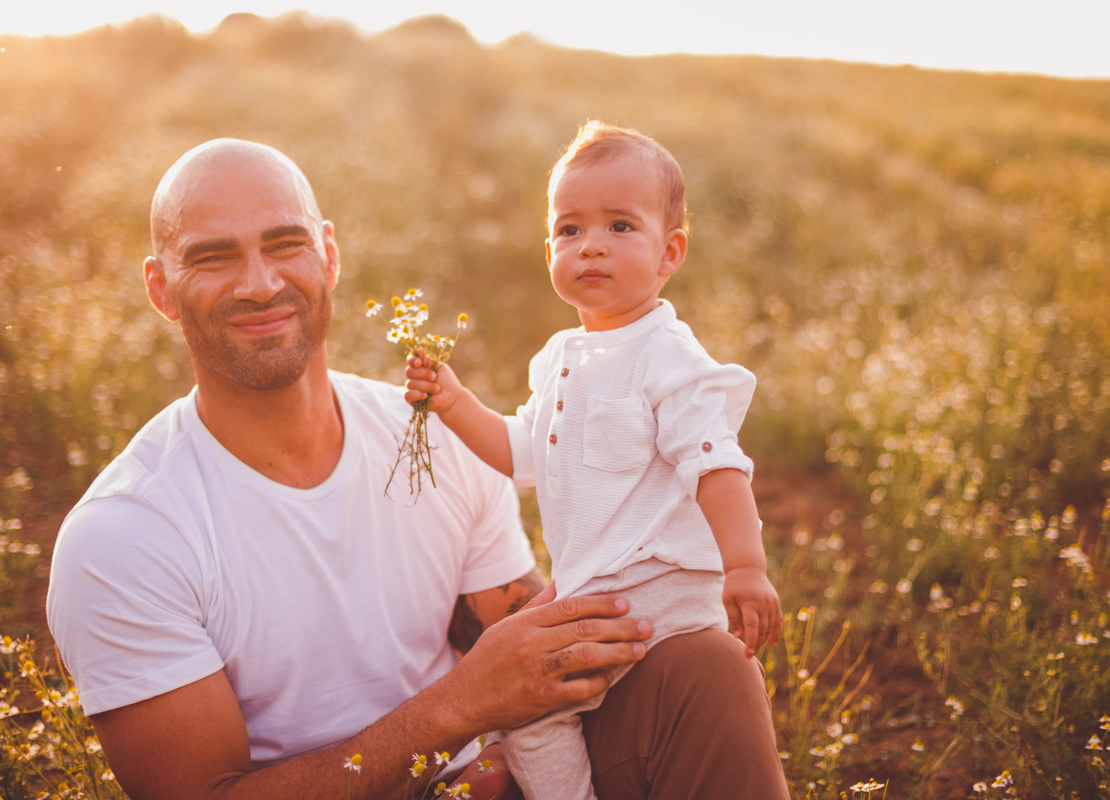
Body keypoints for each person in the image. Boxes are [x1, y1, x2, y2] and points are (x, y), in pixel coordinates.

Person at [46, 137, 786, 800]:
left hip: (491, 779)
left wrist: (639, 595)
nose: (259, 283)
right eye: (213, 257)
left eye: (285, 244)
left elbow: (520, 631)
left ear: (328, 255)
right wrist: (456, 713)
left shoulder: (429, 436)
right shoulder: (124, 537)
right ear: (158, 290)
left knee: (710, 669)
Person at [405, 122, 789, 800]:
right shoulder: (558, 360)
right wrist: (455, 402)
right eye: (569, 230)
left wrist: (746, 568)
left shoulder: (668, 358)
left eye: (619, 226)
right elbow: (520, 452)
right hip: (600, 591)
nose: (591, 246)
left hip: (652, 591)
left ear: (670, 253)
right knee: (523, 711)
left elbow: (716, 466)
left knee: (529, 714)